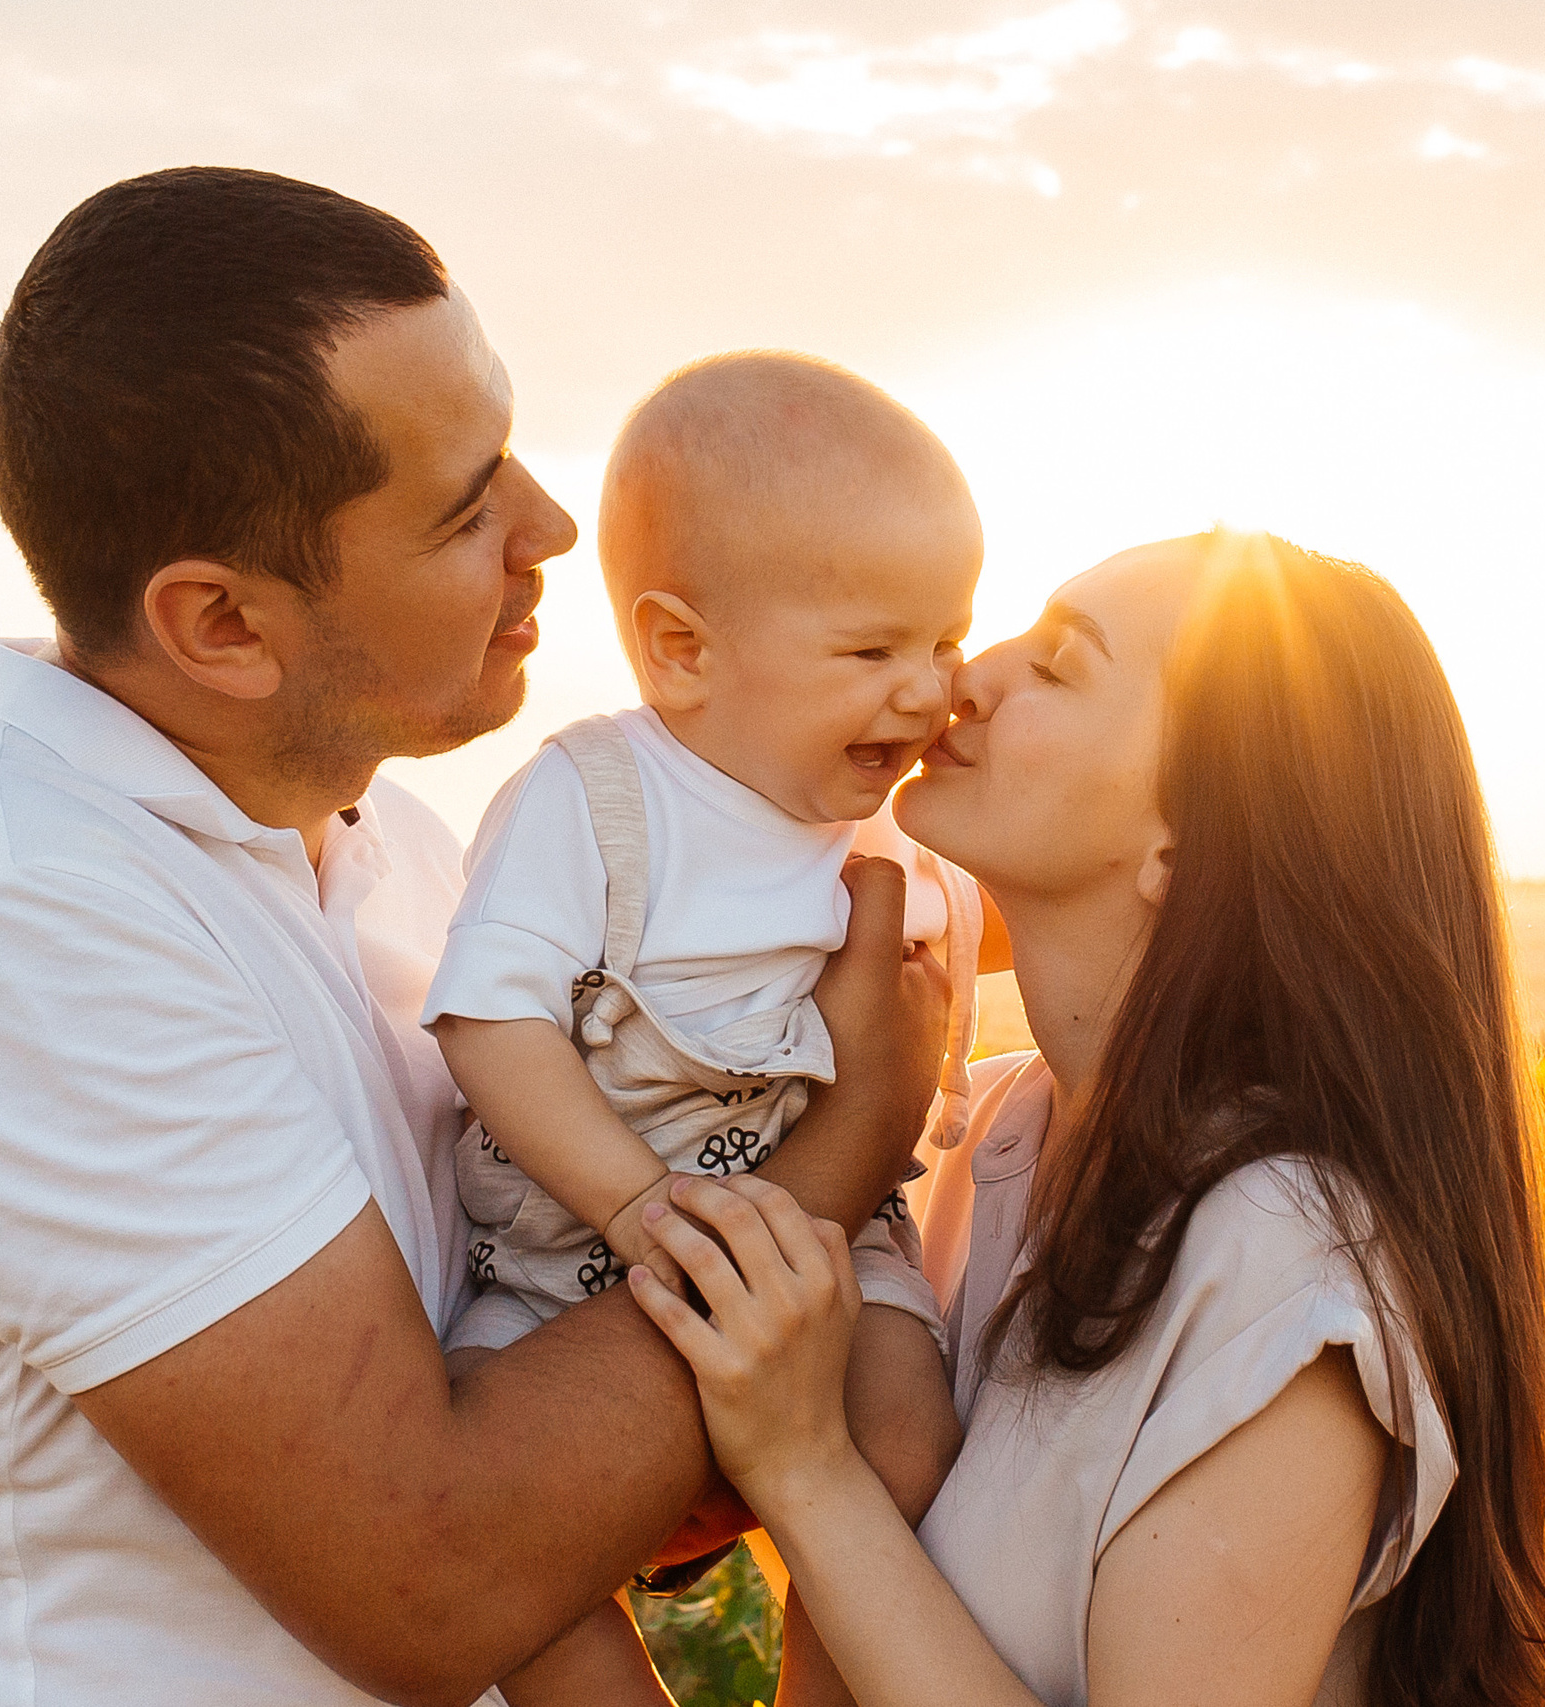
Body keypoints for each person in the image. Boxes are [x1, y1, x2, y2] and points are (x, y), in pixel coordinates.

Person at [0, 167, 947, 1707]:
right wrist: (854, 1132)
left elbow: (552, 1398)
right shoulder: (14, 921)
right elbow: (438, 1567)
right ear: (225, 626)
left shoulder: (393, 840)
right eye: (466, 506)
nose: (545, 527)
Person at [628, 531, 1545, 1705]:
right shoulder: (987, 1135)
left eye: (1058, 665)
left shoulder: (1280, 1256)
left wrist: (803, 1470)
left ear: (1186, 837)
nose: (968, 676)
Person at [424, 351, 979, 1705]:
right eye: (874, 650)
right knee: (508, 1553)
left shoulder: (898, 827)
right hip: (571, 1259)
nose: (929, 692)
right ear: (681, 647)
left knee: (908, 1444)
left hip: (833, 1243)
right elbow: (488, 1016)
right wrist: (631, 1201)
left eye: (949, 639)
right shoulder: (597, 801)